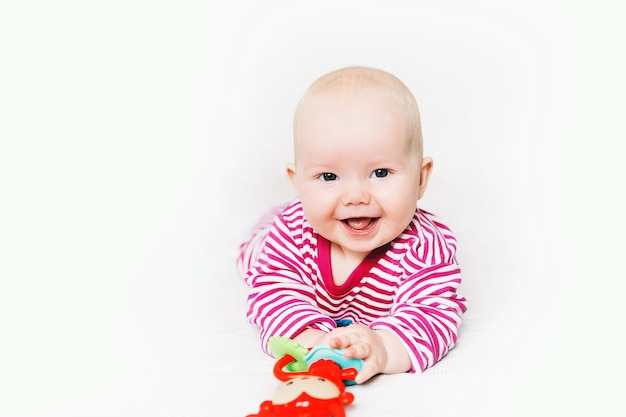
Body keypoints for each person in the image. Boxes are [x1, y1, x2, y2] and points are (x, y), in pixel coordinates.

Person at [237, 66, 467, 384]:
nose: (356, 196)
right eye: (329, 177)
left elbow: (434, 315)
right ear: (298, 183)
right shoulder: (290, 233)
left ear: (421, 178)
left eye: (381, 173)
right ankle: (268, 221)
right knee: (254, 261)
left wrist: (384, 348)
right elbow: (275, 294)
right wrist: (312, 340)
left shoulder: (424, 246)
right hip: (270, 241)